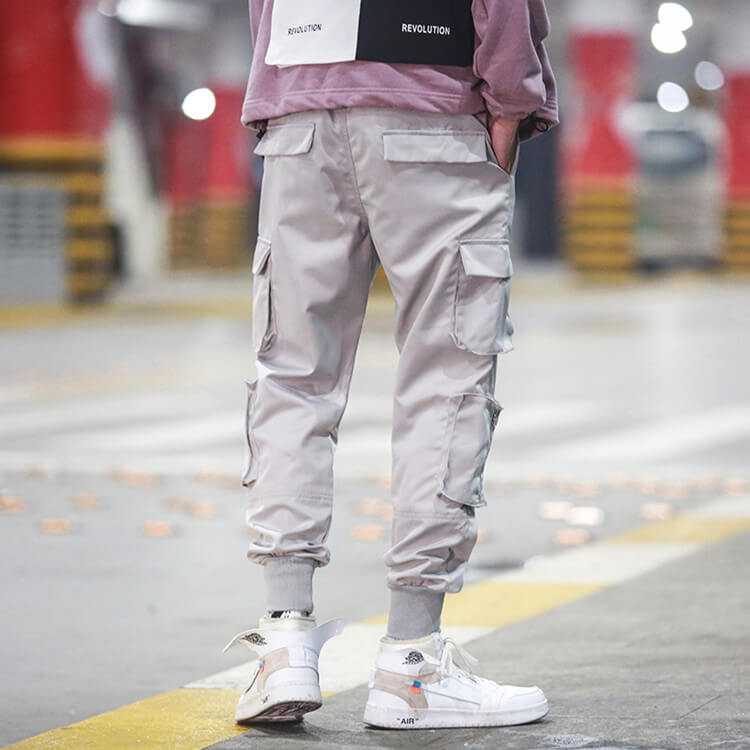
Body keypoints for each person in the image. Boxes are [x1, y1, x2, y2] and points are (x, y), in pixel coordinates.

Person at [223, 0, 558, 730]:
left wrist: (288, 94)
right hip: (431, 114)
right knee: (446, 377)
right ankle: (411, 665)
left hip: (301, 118)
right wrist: (513, 101)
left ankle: (284, 646)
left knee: (293, 375)